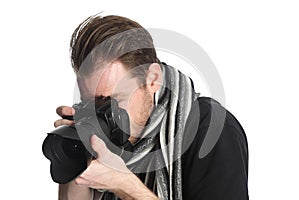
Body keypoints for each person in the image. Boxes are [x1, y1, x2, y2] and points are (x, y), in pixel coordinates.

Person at [54, 14, 249, 200]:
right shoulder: (104, 144)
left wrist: (123, 184)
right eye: (90, 104)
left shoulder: (210, 129)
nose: (100, 116)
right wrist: (75, 153)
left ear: (153, 80)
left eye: (111, 103)